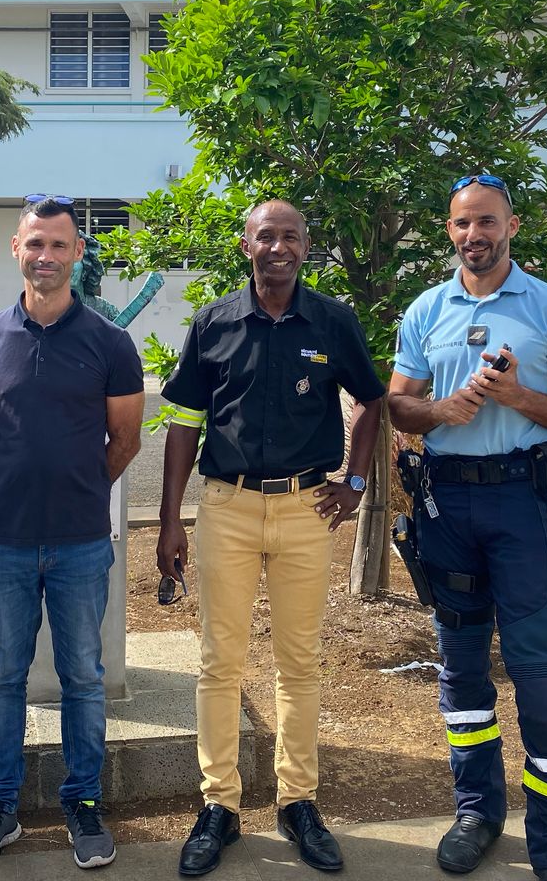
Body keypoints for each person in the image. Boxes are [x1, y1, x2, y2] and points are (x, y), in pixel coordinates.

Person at [158, 199, 385, 877]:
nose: (279, 247)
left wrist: (355, 482)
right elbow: (184, 422)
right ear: (246, 246)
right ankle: (219, 806)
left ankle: (298, 803)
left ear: (305, 247)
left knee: (300, 662)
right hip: (226, 506)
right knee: (219, 663)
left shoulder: (333, 321)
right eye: (267, 236)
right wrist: (170, 518)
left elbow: (372, 400)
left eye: (290, 236)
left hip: (306, 509)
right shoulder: (214, 322)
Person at [387, 174, 547, 881]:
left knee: (539, 673)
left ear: (511, 226)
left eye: (487, 221)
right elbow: (398, 404)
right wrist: (438, 411)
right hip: (446, 506)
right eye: (461, 223)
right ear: (449, 231)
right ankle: (477, 813)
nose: (473, 235)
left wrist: (517, 396)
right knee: (461, 669)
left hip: (521, 505)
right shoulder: (427, 309)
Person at [0, 195, 145, 871]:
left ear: (77, 253)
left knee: (83, 677)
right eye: (35, 243)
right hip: (3, 537)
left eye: (59, 245)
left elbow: (126, 438)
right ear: (17, 248)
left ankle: (84, 802)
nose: (46, 256)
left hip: (81, 541)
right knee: (3, 674)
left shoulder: (110, 343)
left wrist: (82, 488)